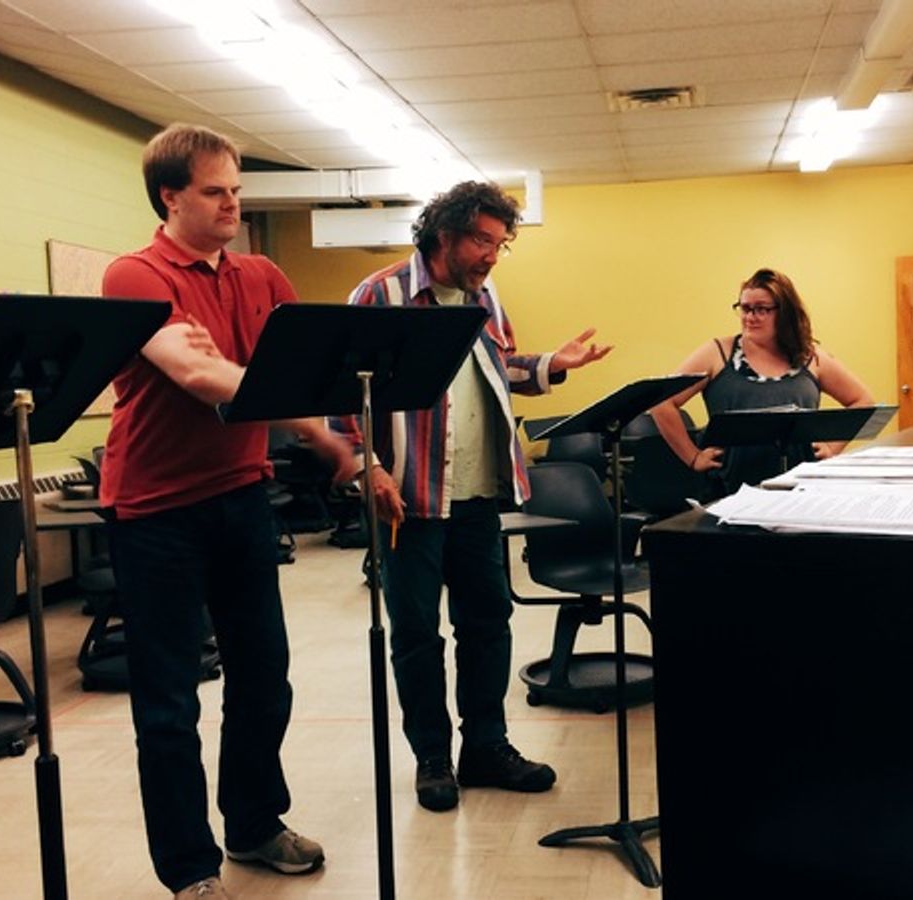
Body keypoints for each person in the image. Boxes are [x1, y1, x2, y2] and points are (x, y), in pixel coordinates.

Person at [100, 123, 357, 899]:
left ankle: (252, 827)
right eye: (215, 192)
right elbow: (196, 375)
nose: (232, 206)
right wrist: (282, 394)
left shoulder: (261, 274)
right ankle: (189, 869)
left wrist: (333, 444)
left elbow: (289, 375)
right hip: (154, 510)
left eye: (238, 191)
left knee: (264, 677)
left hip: (241, 496)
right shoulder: (134, 275)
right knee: (170, 701)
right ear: (170, 195)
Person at [335, 181, 611, 813]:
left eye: (500, 243)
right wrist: (367, 468)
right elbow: (342, 396)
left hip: (480, 492)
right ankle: (432, 757)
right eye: (483, 240)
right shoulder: (380, 296)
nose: (491, 254)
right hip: (408, 497)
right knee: (416, 634)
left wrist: (552, 364)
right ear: (444, 234)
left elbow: (501, 367)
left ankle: (486, 746)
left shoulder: (484, 299)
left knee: (486, 624)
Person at [650, 267, 874, 495]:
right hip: (731, 491)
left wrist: (832, 447)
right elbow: (661, 402)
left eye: (761, 309)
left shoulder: (811, 357)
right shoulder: (717, 353)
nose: (750, 317)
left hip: (800, 489)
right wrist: (693, 457)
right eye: (745, 308)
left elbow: (863, 400)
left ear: (784, 312)